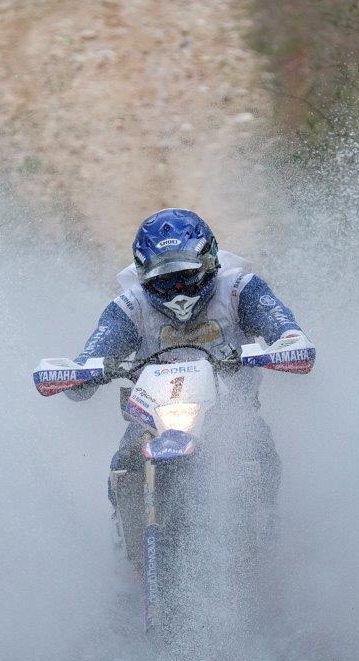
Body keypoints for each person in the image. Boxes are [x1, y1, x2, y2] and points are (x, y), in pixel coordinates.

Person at [66, 208, 314, 563]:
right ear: (143, 275)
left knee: (260, 452)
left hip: (231, 413)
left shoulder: (240, 289)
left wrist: (288, 343)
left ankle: (266, 541)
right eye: (165, 281)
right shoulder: (130, 306)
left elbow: (285, 328)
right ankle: (128, 552)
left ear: (209, 261)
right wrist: (83, 373)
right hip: (153, 421)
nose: (177, 290)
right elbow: (93, 352)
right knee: (124, 462)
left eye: (185, 276)